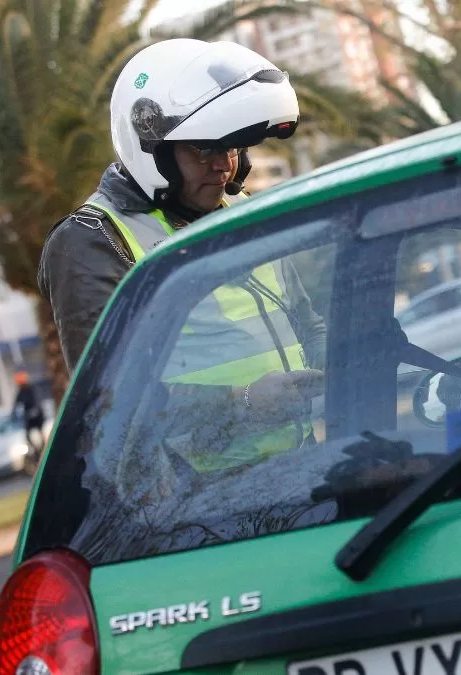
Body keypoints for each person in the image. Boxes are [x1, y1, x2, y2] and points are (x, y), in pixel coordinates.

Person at [37, 39, 327, 473]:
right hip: (192, 505)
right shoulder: (93, 239)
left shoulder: (247, 211)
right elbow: (109, 397)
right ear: (153, 146)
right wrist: (244, 404)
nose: (223, 166)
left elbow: (305, 323)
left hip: (298, 467)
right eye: (204, 148)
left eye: (232, 147)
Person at [11, 370, 44, 452]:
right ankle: (36, 450)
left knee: (40, 431)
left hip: (37, 415)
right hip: (28, 416)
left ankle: (43, 446)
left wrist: (36, 409)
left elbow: (37, 400)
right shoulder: (21, 392)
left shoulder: (32, 389)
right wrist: (13, 414)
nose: (21, 385)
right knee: (27, 435)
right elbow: (16, 403)